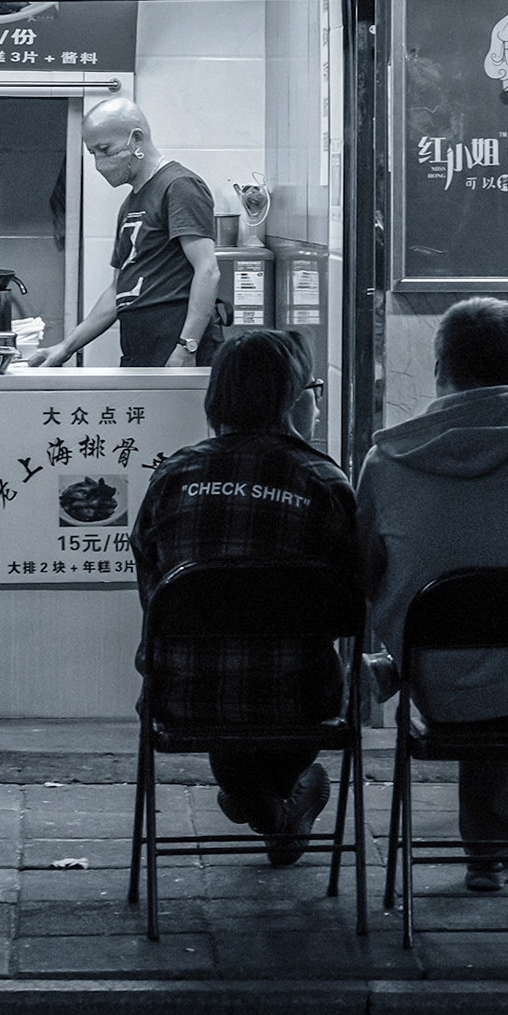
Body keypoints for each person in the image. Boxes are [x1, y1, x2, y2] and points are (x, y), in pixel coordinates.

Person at [357, 297, 508, 893]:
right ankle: (492, 855)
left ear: (441, 366)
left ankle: (491, 853)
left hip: (433, 685)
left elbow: (362, 572)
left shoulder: (386, 456)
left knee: (468, 645)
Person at [129, 329, 357, 865]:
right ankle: (271, 802)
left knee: (227, 684)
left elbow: (151, 589)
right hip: (300, 699)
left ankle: (261, 800)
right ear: (295, 398)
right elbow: (352, 602)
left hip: (184, 697)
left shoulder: (173, 476)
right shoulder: (323, 481)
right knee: (277, 684)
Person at [26, 98, 223, 370]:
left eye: (104, 149)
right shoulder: (131, 203)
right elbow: (118, 291)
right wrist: (65, 347)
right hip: (140, 344)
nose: (99, 162)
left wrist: (186, 346)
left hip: (177, 342)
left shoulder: (179, 186)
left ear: (137, 139)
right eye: (93, 152)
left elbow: (208, 270)